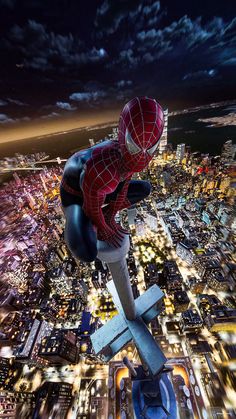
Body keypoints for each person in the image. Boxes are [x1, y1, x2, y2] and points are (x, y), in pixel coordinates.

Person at [60, 96, 164, 262]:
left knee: (145, 188)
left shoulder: (124, 156)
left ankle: (101, 217)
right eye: (135, 146)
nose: (143, 155)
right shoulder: (104, 167)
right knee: (86, 252)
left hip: (100, 187)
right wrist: (104, 229)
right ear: (124, 135)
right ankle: (84, 223)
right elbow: (91, 208)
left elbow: (124, 185)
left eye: (150, 148)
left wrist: (111, 214)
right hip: (75, 195)